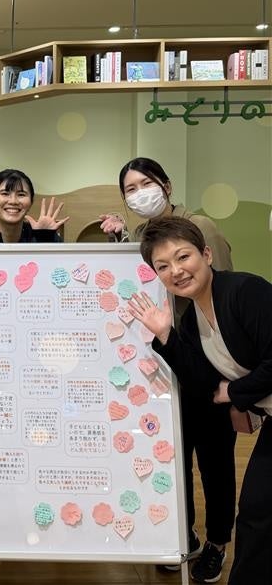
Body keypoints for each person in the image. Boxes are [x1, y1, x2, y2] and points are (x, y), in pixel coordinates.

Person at [100, 157, 235, 582]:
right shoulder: (140, 238)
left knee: (215, 462)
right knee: (170, 457)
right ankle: (183, 533)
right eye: (131, 189)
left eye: (147, 183)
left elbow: (223, 290)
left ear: (167, 185)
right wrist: (118, 242)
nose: (140, 193)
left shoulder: (200, 227)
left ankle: (217, 543)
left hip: (209, 367)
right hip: (160, 367)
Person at [129, 217, 272, 585]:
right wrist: (165, 336)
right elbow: (202, 382)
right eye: (163, 266)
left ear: (206, 254)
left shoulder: (246, 291)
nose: (176, 271)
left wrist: (235, 393)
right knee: (255, 511)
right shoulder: (192, 321)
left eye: (183, 257)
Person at [0, 168, 68, 243]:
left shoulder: (43, 235)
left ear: (31, 202)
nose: (13, 201)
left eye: (21, 194)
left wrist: (45, 239)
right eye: (5, 194)